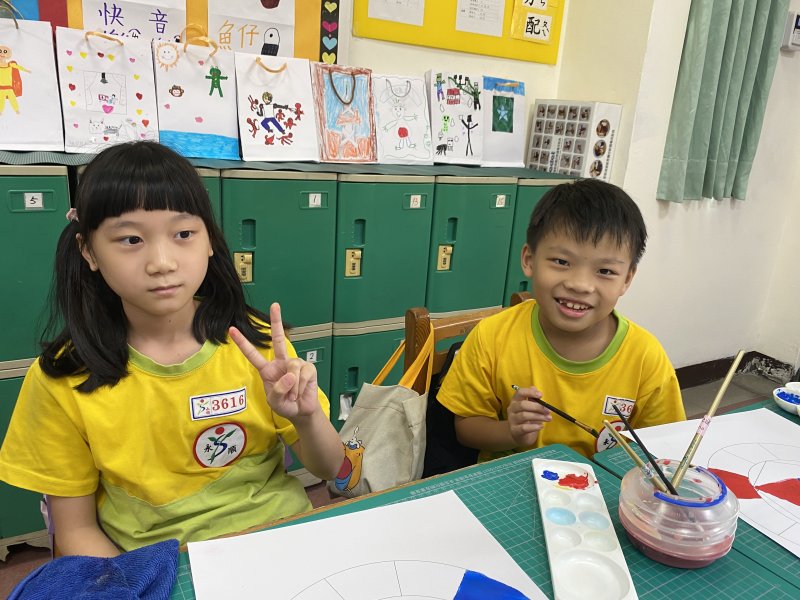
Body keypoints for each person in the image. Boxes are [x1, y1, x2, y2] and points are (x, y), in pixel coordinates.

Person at [0, 141, 344, 557]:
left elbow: (330, 468)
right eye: (130, 239)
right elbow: (76, 531)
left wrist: (307, 418)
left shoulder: (255, 343)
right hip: (158, 565)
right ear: (88, 251)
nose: (162, 262)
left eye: (183, 234)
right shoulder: (63, 376)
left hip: (278, 540)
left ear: (209, 240)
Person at [437, 178, 685, 459]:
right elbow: (466, 428)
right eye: (561, 262)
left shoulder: (645, 357)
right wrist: (511, 431)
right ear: (529, 260)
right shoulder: (492, 336)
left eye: (605, 271)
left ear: (627, 279)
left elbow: (664, 446)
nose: (580, 285)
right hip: (510, 480)